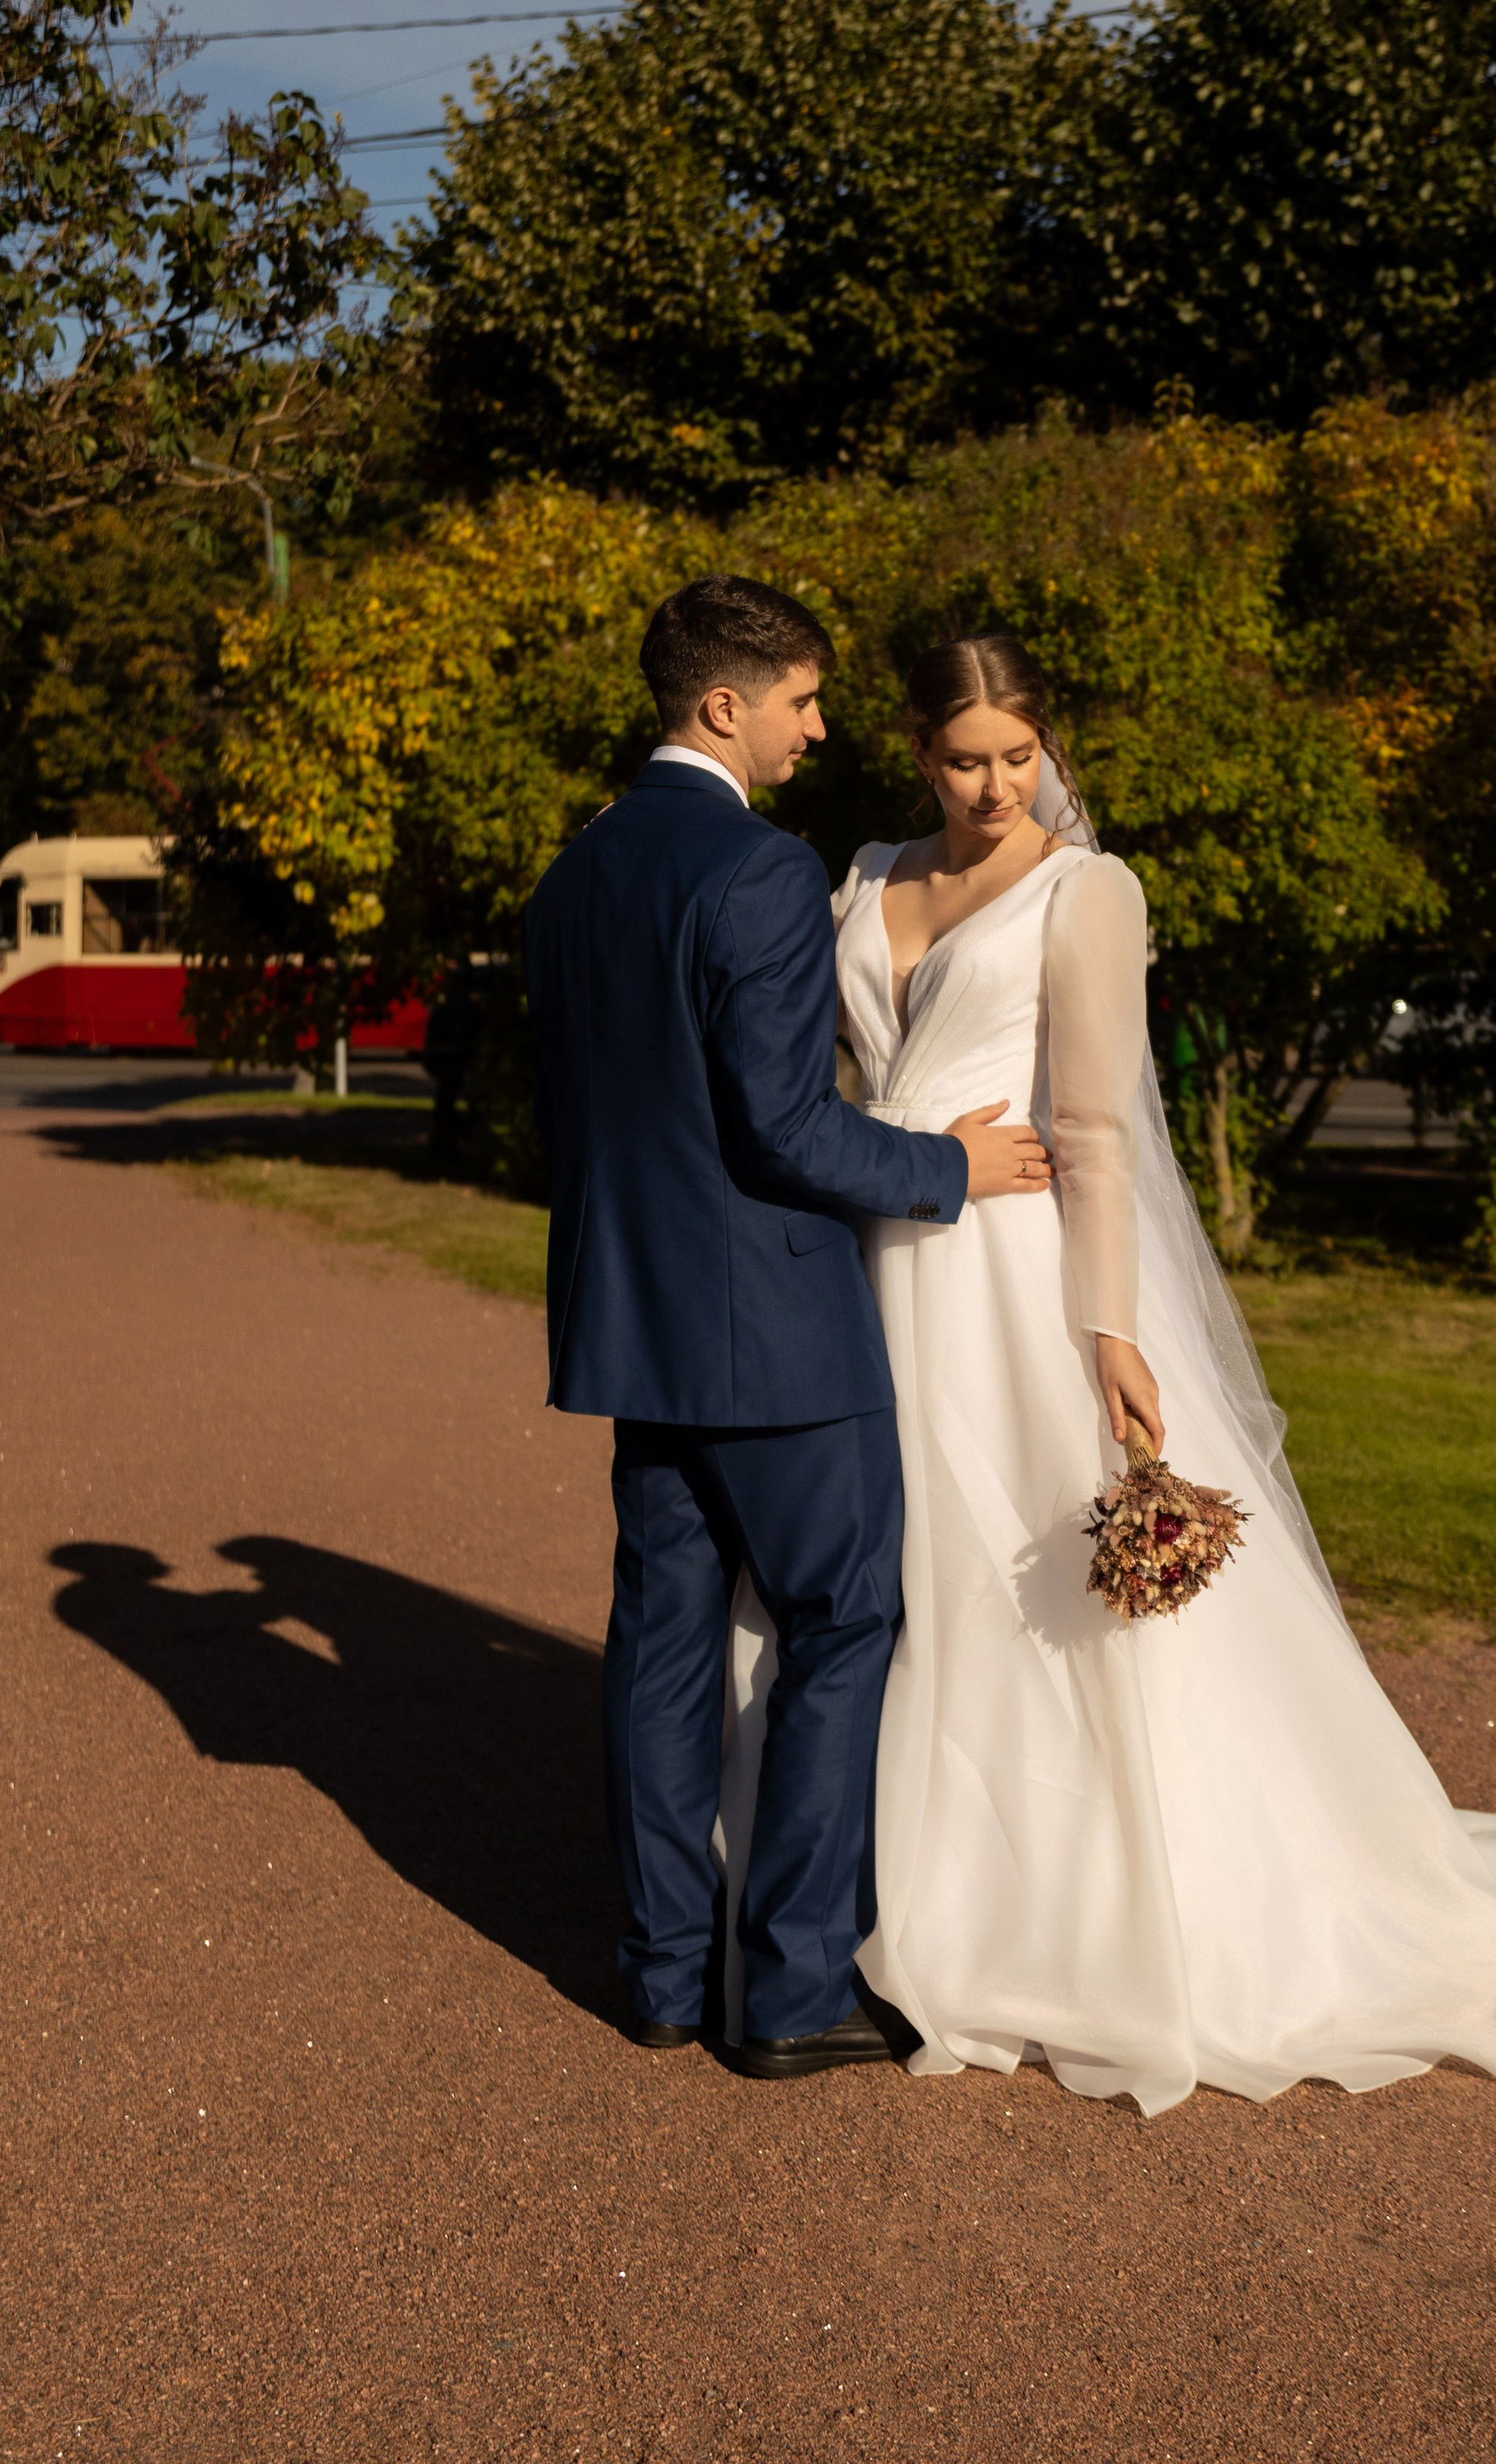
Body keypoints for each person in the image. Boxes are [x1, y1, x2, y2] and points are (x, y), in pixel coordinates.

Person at [716, 630, 1496, 2117]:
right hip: (867, 1265)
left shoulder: (1088, 891)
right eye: (965, 759)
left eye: (1018, 756)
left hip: (1009, 1281)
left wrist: (1109, 1331)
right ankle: (834, 1910)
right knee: (867, 1588)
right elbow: (826, 1089)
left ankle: (1054, 1911)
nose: (995, 787)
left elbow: (1091, 1133)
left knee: (1022, 1592)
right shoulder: (862, 870)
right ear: (916, 752)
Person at [523, 579, 1052, 2080]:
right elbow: (780, 1132)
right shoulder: (755, 873)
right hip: (774, 1334)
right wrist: (951, 1166)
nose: (819, 726)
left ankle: (660, 1979)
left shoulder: (572, 878)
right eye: (801, 699)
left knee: (663, 1647)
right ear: (721, 706)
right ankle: (799, 1984)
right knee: (842, 1623)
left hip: (633, 1328)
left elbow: (580, 1125)